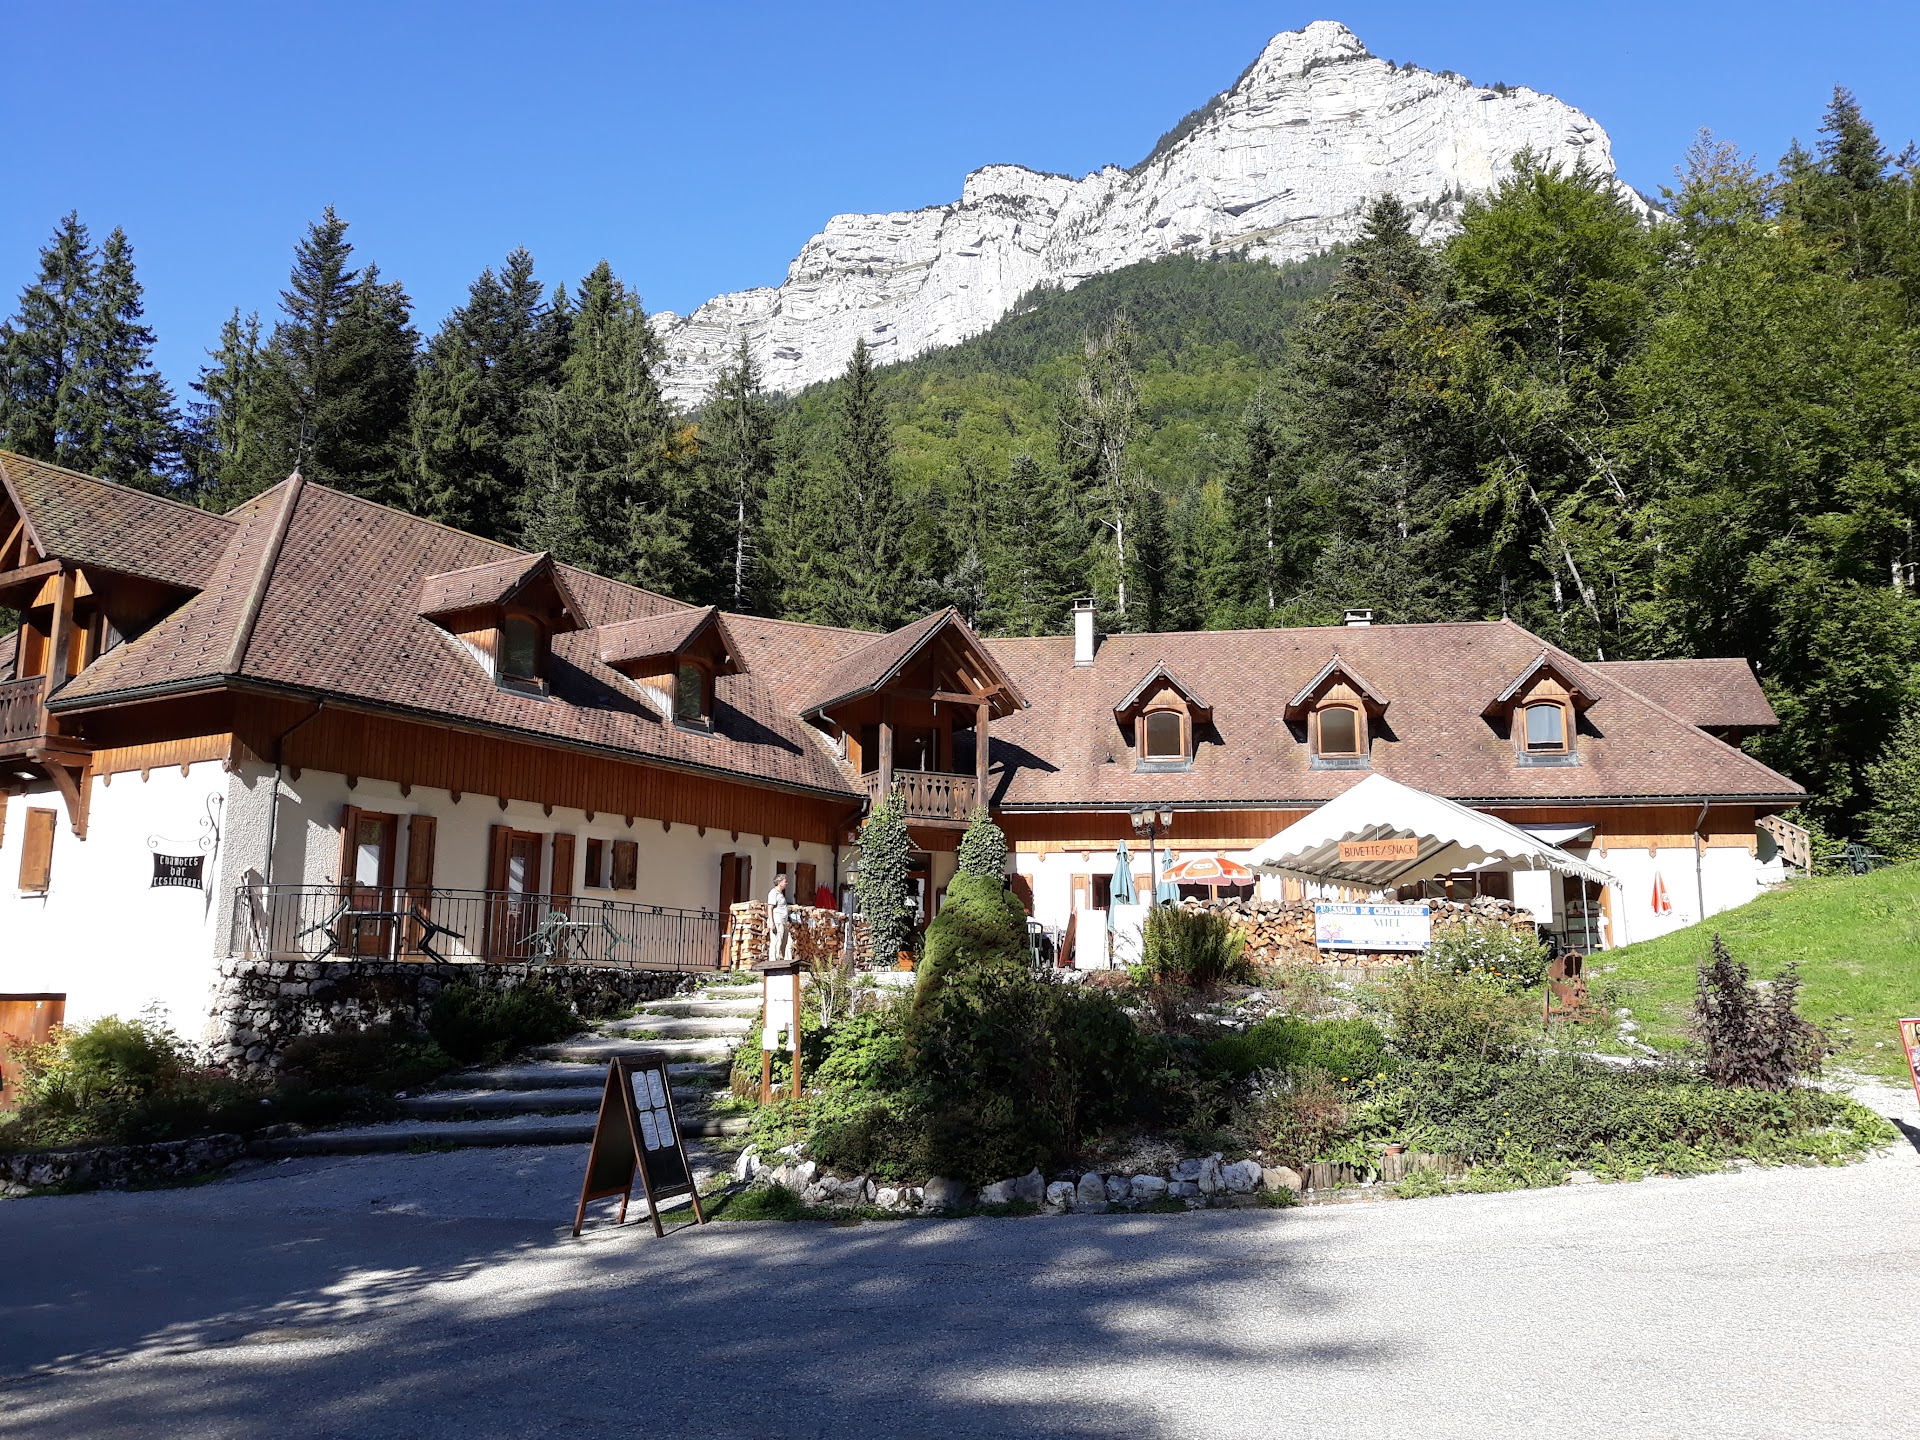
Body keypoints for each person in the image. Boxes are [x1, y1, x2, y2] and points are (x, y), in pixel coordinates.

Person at [766, 872, 791, 964]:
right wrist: (771, 922)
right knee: (776, 941)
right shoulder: (773, 893)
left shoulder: (780, 894)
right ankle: (773, 961)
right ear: (780, 882)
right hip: (777, 921)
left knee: (787, 942)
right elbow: (770, 907)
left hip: (783, 922)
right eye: (785, 881)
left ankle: (787, 962)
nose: (786, 883)